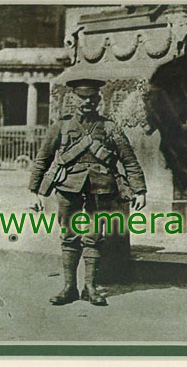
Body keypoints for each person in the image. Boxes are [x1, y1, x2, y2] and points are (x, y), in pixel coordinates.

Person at [28, 77, 147, 306]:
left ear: (99, 99)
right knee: (69, 237)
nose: (87, 102)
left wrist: (139, 190)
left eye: (92, 98)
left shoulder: (110, 127)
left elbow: (129, 160)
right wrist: (34, 191)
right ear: (72, 98)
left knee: (94, 238)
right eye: (82, 97)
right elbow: (42, 159)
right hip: (67, 187)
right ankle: (69, 287)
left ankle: (90, 288)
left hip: (101, 189)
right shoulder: (61, 126)